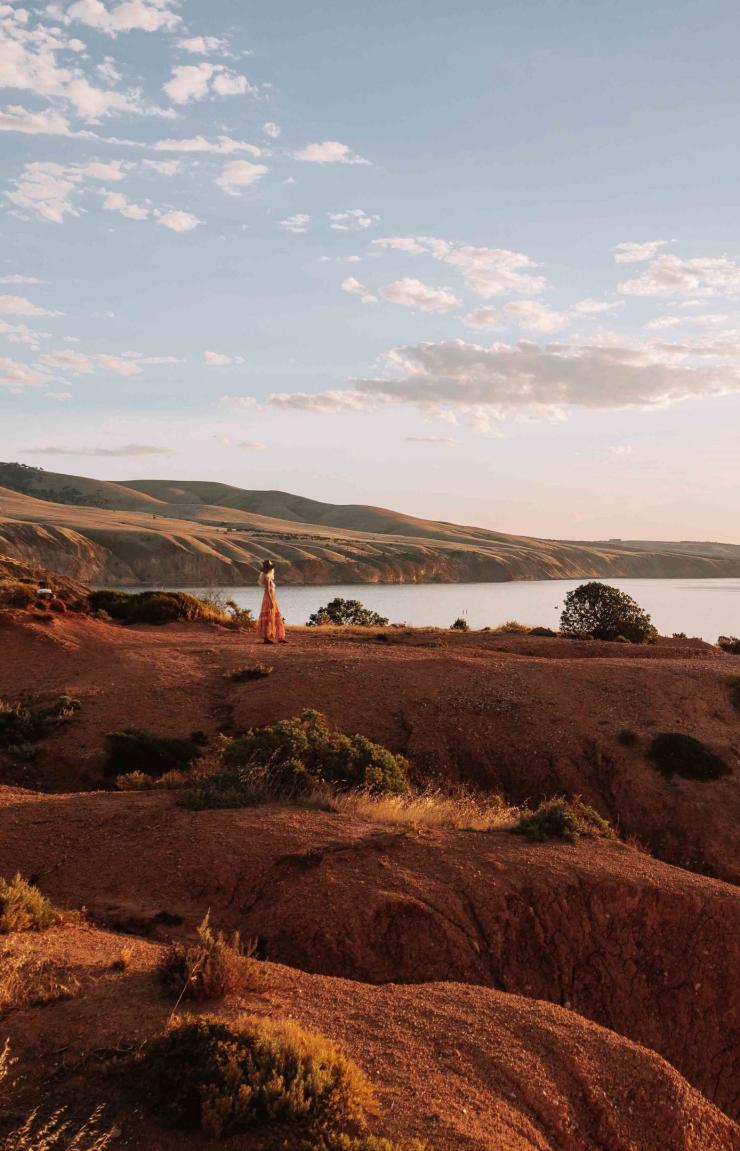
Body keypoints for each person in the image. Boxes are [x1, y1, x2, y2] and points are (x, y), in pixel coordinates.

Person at [256, 560, 287, 644]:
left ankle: (279, 637)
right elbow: (267, 590)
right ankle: (267, 638)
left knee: (274, 616)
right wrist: (271, 601)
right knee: (268, 616)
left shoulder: (268, 577)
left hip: (271, 597)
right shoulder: (267, 577)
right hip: (269, 598)